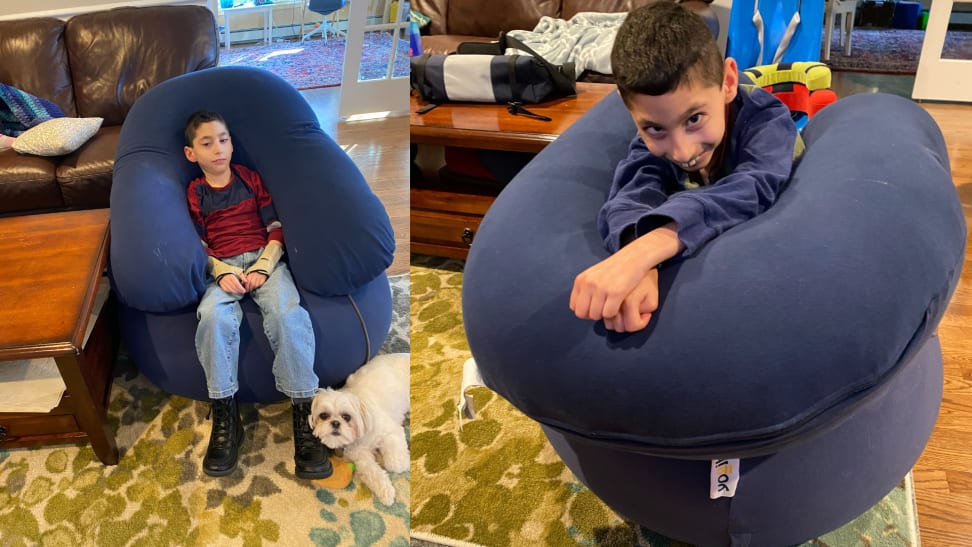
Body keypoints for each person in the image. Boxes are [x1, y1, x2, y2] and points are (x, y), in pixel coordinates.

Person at [570, 2, 804, 333]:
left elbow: (754, 185)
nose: (682, 151)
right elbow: (632, 191)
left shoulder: (767, 123)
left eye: (694, 119)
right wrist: (638, 261)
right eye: (654, 129)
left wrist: (649, 249)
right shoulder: (654, 139)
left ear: (728, 82)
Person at [183, 110, 331, 479]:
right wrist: (221, 271)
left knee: (286, 314)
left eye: (224, 139)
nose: (218, 149)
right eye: (207, 143)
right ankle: (224, 411)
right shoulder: (196, 191)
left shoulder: (250, 178)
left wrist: (264, 264)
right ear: (191, 154)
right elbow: (197, 244)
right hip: (224, 268)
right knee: (213, 317)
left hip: (265, 260)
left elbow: (276, 227)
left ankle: (304, 413)